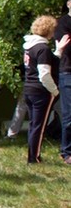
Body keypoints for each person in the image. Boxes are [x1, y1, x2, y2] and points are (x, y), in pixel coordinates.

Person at [22, 15, 61, 164]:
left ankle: (32, 155)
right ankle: (34, 158)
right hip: (41, 91)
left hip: (29, 89)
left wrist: (58, 51)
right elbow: (44, 74)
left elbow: (48, 59)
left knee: (34, 124)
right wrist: (54, 90)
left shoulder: (30, 46)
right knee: (40, 125)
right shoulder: (42, 48)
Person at [54, 0, 71, 163]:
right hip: (68, 72)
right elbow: (66, 47)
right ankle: (67, 151)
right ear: (68, 4)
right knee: (69, 116)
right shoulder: (63, 23)